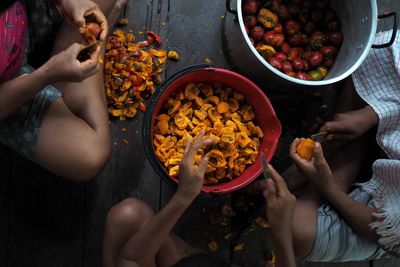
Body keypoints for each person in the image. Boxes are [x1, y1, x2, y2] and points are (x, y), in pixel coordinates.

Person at [286, 29, 400, 262]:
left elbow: (387, 236)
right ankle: (343, 140)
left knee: (297, 234)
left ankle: (351, 151)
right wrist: (371, 115)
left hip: (381, 224)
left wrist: (326, 186)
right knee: (376, 51)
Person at [0, 0, 127, 181]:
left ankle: (70, 71)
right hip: (10, 92)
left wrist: (66, 2)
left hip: (24, 17)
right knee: (90, 154)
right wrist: (46, 75)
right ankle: (85, 60)